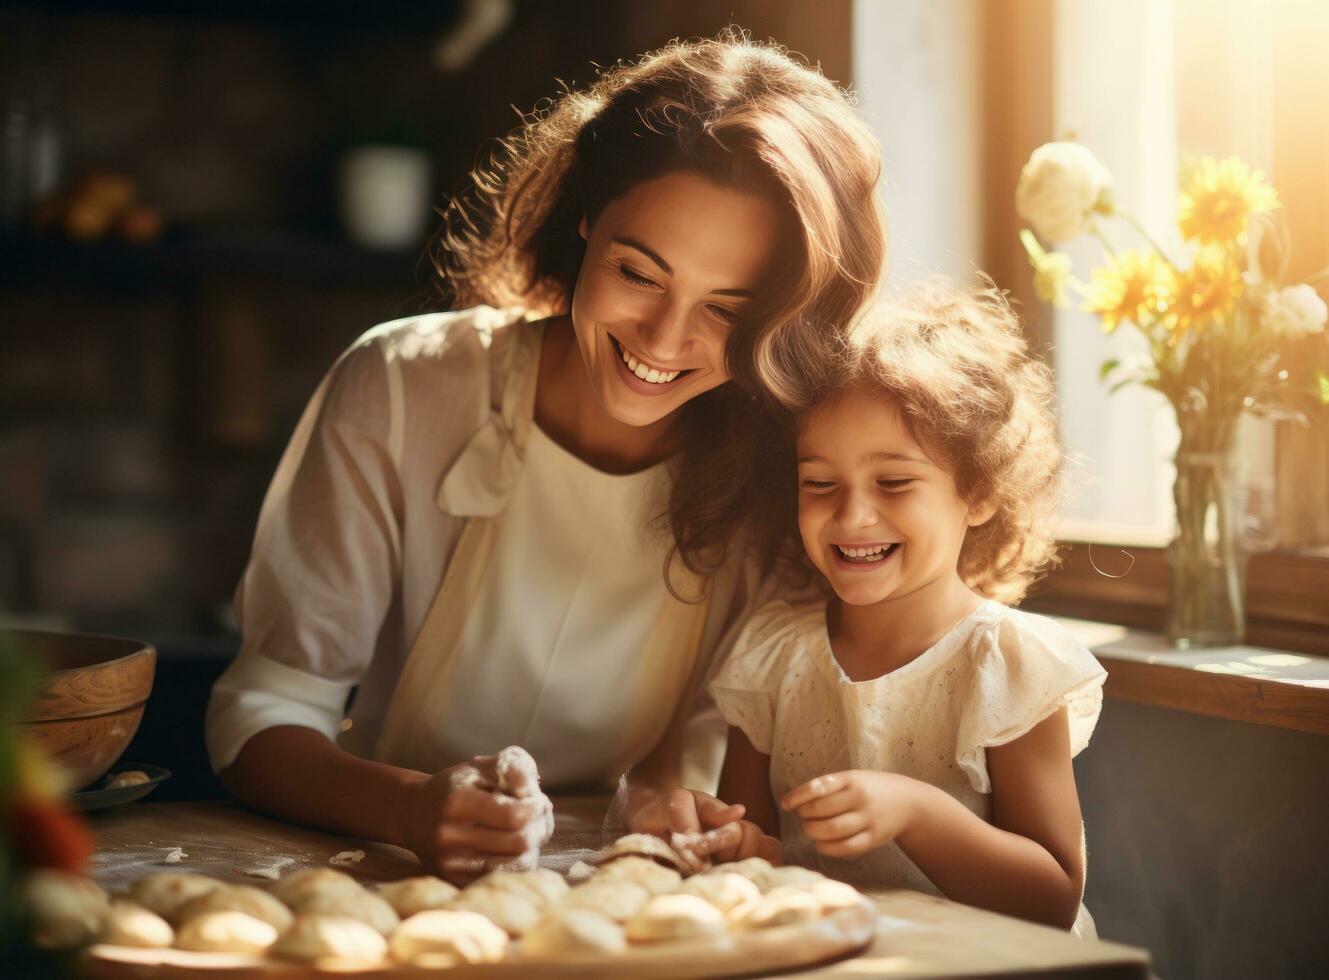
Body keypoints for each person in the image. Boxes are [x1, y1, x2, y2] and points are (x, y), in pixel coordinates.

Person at [204, 31, 886, 881]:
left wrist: (673, 802)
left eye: (727, 310)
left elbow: (717, 758)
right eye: (639, 275)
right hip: (379, 872)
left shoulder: (785, 470)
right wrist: (408, 808)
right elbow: (264, 717)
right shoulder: (404, 386)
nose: (664, 342)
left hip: (626, 895)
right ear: (585, 219)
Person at [704, 279, 1107, 935]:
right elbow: (753, 858)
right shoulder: (771, 657)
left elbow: (1052, 897)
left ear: (976, 491)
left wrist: (918, 812)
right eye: (819, 484)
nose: (852, 515)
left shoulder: (1007, 663)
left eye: (893, 482)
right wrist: (725, 843)